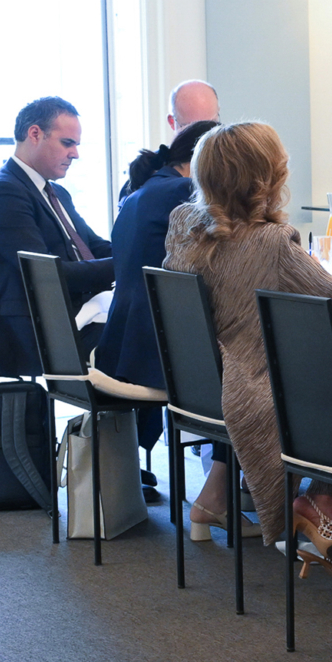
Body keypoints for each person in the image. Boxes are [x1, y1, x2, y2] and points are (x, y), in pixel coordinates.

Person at [163, 122, 332, 576]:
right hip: (254, 388)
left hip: (200, 380)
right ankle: (321, 506)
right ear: (267, 179)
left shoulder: (182, 224)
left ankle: (316, 509)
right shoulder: (271, 242)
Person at [92, 121, 245, 529]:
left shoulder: (141, 192)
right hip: (161, 356)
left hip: (124, 345)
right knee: (261, 367)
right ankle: (225, 493)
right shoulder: (185, 194)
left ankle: (227, 488)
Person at [0, 96, 114, 377]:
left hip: (75, 317)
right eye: (67, 143)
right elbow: (47, 274)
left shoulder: (56, 193)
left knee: (153, 329)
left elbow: (93, 247)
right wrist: (126, 264)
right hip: (41, 332)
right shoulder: (2, 193)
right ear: (35, 134)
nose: (75, 153)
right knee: (148, 339)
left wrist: (141, 251)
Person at [119, 81, 222, 208]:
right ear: (172, 122)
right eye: (191, 128)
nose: (202, 139)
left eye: (211, 126)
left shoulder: (230, 167)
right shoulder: (146, 172)